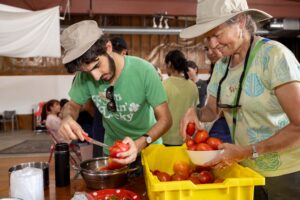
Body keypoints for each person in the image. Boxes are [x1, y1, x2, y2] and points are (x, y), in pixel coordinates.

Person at [180, 0, 300, 199]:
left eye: (217, 35)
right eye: (207, 37)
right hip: (247, 173)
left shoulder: (275, 56)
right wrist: (196, 112)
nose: (212, 44)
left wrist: (248, 151)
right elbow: (211, 110)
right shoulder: (221, 66)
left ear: (241, 21)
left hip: (286, 173)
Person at [59, 20, 172, 167]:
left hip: (149, 149)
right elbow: (73, 105)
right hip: (114, 152)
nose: (96, 77)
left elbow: (166, 119)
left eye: (97, 66)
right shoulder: (84, 77)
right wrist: (67, 117)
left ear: (108, 47)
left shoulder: (144, 71)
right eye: (87, 72)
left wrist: (141, 143)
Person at [162, 50, 198, 146]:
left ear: (169, 64)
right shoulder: (193, 86)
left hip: (166, 138)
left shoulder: (163, 85)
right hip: (187, 139)